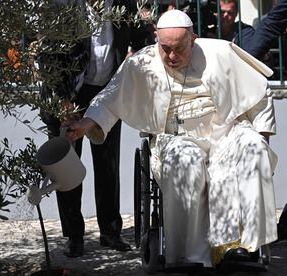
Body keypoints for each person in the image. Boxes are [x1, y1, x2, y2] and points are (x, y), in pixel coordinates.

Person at [64, 9, 278, 267]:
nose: (172, 56)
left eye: (179, 48)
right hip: (177, 137)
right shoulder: (142, 63)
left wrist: (262, 137)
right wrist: (85, 124)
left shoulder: (220, 53)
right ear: (156, 39)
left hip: (225, 133)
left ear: (193, 39)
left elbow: (258, 92)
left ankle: (243, 247)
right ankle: (190, 255)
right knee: (185, 160)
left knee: (253, 147)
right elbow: (110, 98)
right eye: (166, 49)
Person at [40, 0, 146, 258]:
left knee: (108, 164)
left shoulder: (124, 4)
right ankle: (74, 236)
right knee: (67, 167)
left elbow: (141, 38)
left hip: (107, 91)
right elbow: (49, 56)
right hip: (69, 91)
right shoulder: (63, 5)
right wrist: (63, 101)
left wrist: (137, 57)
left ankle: (110, 232)